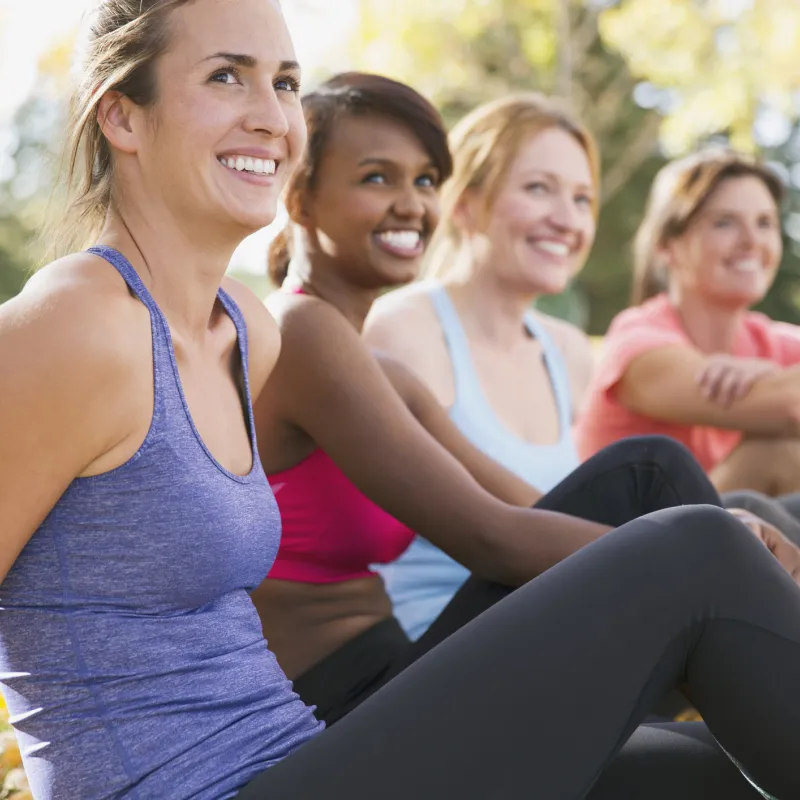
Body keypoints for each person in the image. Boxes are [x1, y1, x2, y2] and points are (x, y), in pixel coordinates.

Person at [0, 5, 798, 799]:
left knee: (700, 776)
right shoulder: (76, 327)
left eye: (283, 83)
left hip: (297, 752)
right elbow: (494, 535)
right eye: (224, 77)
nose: (272, 116)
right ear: (121, 115)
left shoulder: (241, 332)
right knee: (702, 549)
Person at [253, 73, 798, 797]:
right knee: (690, 532)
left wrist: (717, 543)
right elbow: (491, 537)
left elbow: (528, 503)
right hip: (347, 710)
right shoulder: (300, 330)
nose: (411, 203)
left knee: (648, 473)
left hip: (405, 667)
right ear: (298, 197)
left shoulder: (377, 368)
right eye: (376, 177)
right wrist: (703, 555)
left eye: (425, 179)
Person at [363, 93, 598, 639]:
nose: (567, 219)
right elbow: (494, 527)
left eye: (583, 198)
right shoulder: (407, 331)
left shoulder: (568, 353)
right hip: (450, 638)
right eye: (539, 188)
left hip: (556, 618)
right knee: (660, 474)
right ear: (464, 204)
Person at [576, 150, 800, 511]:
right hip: (634, 553)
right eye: (725, 223)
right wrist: (780, 385)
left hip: (723, 548)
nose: (752, 241)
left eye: (765, 223)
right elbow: (792, 406)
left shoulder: (773, 343)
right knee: (779, 452)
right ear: (667, 246)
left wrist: (772, 375)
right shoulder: (638, 343)